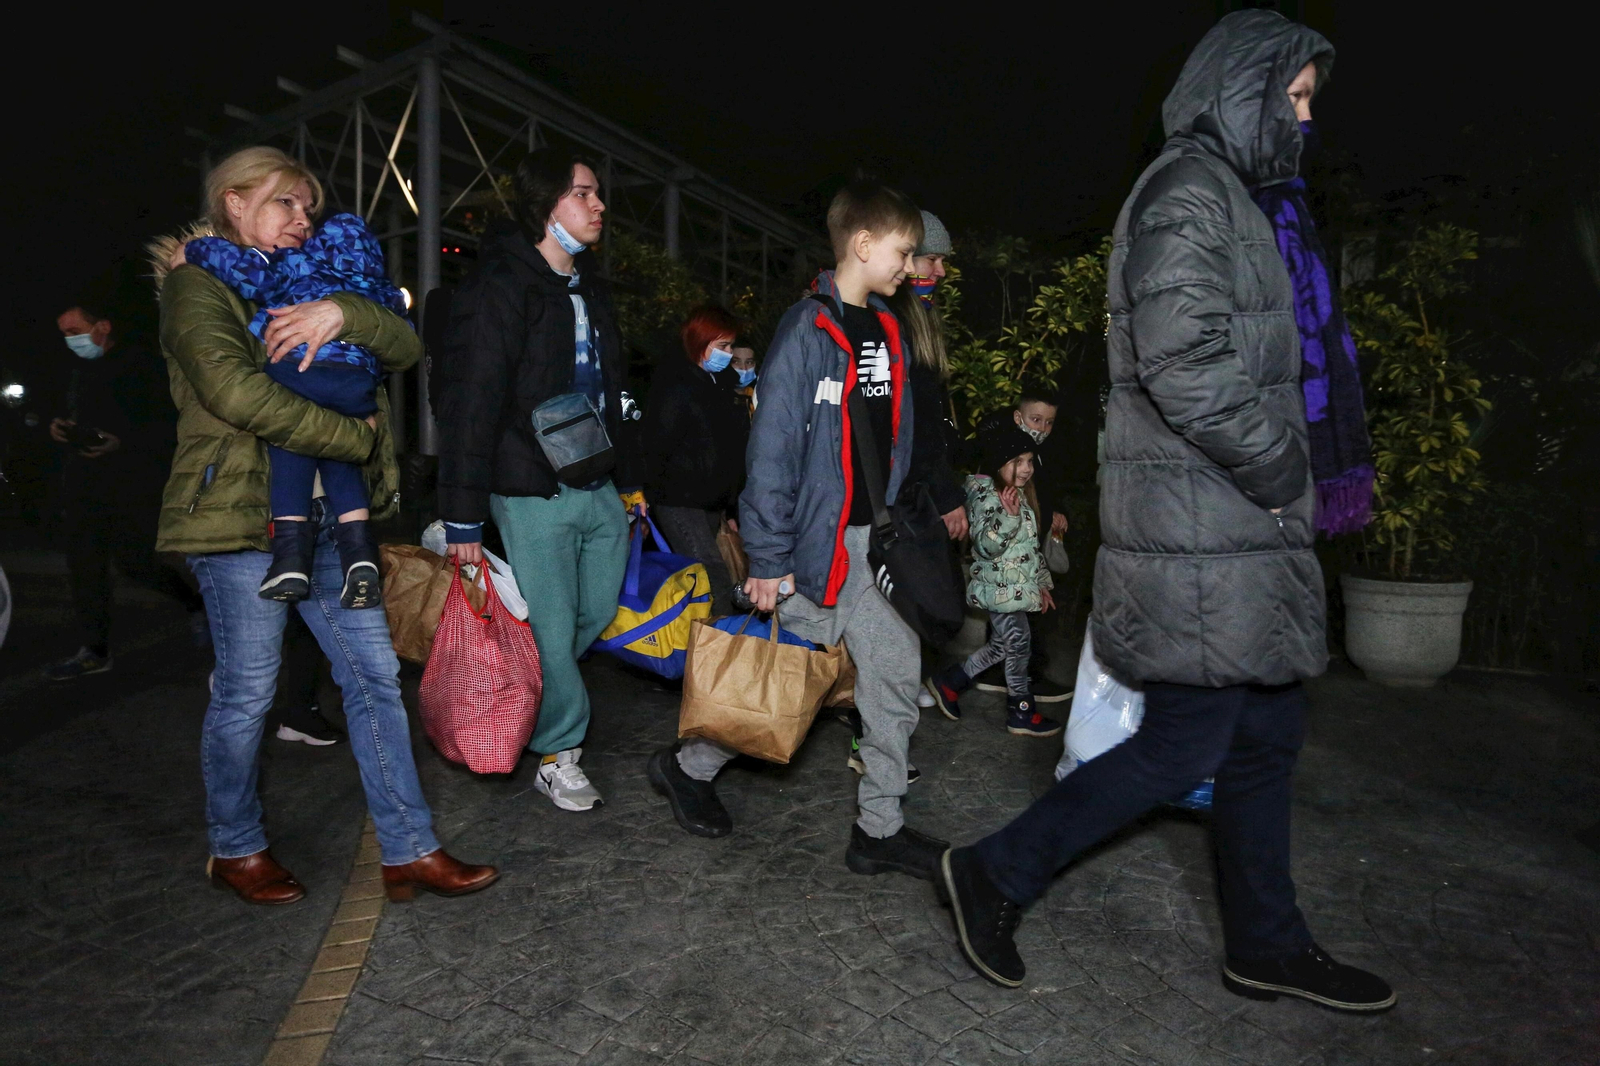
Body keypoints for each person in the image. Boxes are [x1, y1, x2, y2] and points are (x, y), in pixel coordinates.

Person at [938, 11, 1396, 1014]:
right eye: (1298, 96)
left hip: (1238, 532)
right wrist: (1284, 467)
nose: (1307, 120)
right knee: (1184, 744)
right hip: (1209, 526)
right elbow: (1183, 364)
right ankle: (995, 869)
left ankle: (1267, 943)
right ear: (1246, 89)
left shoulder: (1238, 197)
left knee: (1265, 739)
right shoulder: (1190, 192)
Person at [149, 146, 496, 905]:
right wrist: (356, 439)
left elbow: (403, 343)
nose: (301, 218)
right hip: (241, 519)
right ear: (234, 202)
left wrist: (346, 311)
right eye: (283, 202)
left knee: (374, 678)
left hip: (330, 524)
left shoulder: (324, 278)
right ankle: (235, 849)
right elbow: (236, 392)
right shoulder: (196, 284)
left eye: (309, 206)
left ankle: (411, 849)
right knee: (249, 690)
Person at [649, 180, 948, 882]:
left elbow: (895, 436)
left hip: (876, 545)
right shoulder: (808, 330)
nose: (912, 265)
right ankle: (687, 767)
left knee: (896, 680)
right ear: (864, 244)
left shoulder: (890, 329)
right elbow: (774, 449)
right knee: (786, 678)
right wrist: (770, 554)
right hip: (819, 547)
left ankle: (880, 828)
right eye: (905, 251)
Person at [436, 149, 639, 813]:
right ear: (547, 205)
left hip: (595, 480)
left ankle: (528, 686)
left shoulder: (590, 288)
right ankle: (559, 751)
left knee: (594, 610)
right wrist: (463, 515)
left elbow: (611, 390)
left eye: (598, 193)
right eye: (584, 193)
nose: (599, 204)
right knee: (552, 628)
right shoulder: (501, 285)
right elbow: (473, 400)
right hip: (529, 486)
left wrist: (629, 478)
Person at [180, 207, 406, 608]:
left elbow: (253, 274)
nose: (302, 221)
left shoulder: (300, 261)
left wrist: (197, 248)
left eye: (308, 214)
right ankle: (360, 557)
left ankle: (290, 559)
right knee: (342, 459)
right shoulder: (380, 286)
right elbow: (401, 324)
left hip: (301, 369)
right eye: (287, 204)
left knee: (291, 446)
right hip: (355, 385)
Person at [46, 287, 207, 682]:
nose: (71, 340)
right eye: (64, 333)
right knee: (85, 569)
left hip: (131, 484)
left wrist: (122, 442)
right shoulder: (76, 371)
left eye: (75, 330)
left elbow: (167, 426)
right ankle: (95, 650)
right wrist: (56, 428)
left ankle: (195, 603)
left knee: (137, 562)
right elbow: (55, 411)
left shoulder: (142, 366)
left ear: (102, 326)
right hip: (83, 485)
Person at [925, 423, 1063, 738]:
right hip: (999, 589)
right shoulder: (986, 495)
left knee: (1002, 644)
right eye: (1019, 461)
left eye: (1030, 461)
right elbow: (987, 545)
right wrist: (1008, 516)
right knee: (1018, 644)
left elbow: (1029, 549)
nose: (1027, 469)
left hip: (1015, 587)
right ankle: (1021, 709)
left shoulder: (1017, 496)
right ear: (998, 462)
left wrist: (1041, 583)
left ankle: (951, 682)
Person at [640, 305, 750, 615]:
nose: (728, 354)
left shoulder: (720, 387)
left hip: (710, 502)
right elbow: (656, 445)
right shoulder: (675, 386)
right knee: (710, 573)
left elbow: (728, 455)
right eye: (723, 346)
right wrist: (644, 496)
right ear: (699, 342)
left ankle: (713, 646)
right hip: (678, 499)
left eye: (730, 346)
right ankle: (717, 649)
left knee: (717, 573)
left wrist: (729, 509)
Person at [970, 384, 1072, 704]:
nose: (1042, 429)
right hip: (1005, 569)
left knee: (1015, 633)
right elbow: (989, 538)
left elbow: (1045, 490)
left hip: (1026, 555)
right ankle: (1020, 696)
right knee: (1014, 634)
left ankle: (966, 679)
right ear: (1018, 417)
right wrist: (1011, 520)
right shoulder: (1001, 457)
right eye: (1035, 419)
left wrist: (1055, 513)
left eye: (1049, 422)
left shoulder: (1035, 455)